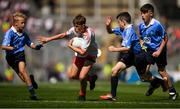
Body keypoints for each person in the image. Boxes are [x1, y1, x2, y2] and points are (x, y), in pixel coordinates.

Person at [38, 14, 98, 101]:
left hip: (90, 55)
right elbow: (63, 35)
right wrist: (48, 39)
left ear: (83, 25)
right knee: (72, 76)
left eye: (77, 26)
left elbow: (83, 52)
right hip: (80, 54)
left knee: (81, 77)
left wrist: (70, 46)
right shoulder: (75, 29)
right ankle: (91, 78)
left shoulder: (88, 34)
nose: (75, 29)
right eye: (75, 26)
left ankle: (82, 95)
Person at [138, 3, 178, 100]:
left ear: (151, 13)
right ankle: (155, 83)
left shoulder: (157, 25)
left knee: (161, 71)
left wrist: (159, 51)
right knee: (143, 75)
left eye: (144, 13)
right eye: (141, 13)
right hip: (148, 51)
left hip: (159, 50)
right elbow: (141, 37)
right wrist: (142, 43)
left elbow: (165, 38)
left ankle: (173, 92)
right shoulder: (141, 26)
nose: (142, 15)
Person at [100, 12, 142, 101]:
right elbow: (110, 31)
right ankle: (113, 95)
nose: (118, 24)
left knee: (145, 78)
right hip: (130, 56)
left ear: (123, 22)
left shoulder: (129, 31)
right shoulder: (123, 29)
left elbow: (127, 48)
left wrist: (114, 49)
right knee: (114, 71)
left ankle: (160, 82)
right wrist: (108, 25)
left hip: (138, 56)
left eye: (119, 22)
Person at [1, 12, 43, 100]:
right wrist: (13, 48)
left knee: (22, 70)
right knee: (24, 79)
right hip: (11, 58)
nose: (24, 24)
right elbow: (3, 46)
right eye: (22, 23)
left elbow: (30, 43)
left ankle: (33, 94)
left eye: (24, 22)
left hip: (20, 55)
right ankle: (31, 79)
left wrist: (36, 47)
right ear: (16, 23)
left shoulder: (24, 34)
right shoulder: (9, 33)